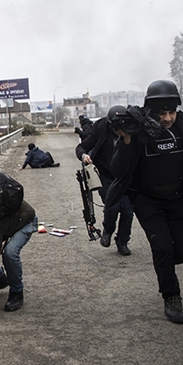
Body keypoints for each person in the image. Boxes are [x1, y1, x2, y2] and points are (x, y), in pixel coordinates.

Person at [108, 79, 183, 324]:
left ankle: (165, 263)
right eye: (161, 113)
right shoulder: (137, 131)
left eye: (171, 112)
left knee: (182, 251)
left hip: (179, 198)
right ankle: (171, 296)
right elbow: (118, 170)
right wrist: (126, 142)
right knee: (163, 247)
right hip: (148, 200)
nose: (167, 118)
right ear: (150, 111)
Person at [75, 106, 135, 256]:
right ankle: (107, 230)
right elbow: (82, 147)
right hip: (105, 174)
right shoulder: (101, 127)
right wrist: (84, 156)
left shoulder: (133, 131)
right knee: (112, 206)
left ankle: (122, 240)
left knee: (127, 211)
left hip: (125, 176)